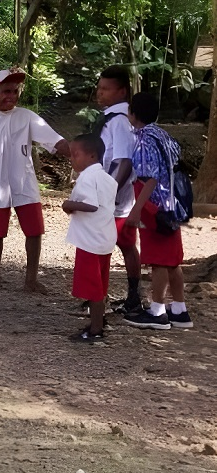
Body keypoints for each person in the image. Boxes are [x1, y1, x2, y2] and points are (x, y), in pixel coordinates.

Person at [0, 69, 70, 292]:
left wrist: (82, 154)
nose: (12, 95)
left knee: (34, 230)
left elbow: (54, 141)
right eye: (6, 90)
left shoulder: (27, 117)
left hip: (24, 182)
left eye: (15, 91)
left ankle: (31, 279)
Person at [123, 93, 191, 332]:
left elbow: (149, 178)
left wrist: (137, 209)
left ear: (133, 113)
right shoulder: (164, 135)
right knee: (172, 260)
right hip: (174, 204)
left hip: (155, 207)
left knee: (158, 261)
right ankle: (180, 310)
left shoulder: (143, 141)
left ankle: (157, 311)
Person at [62, 134, 118, 343]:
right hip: (104, 238)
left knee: (94, 288)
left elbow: (91, 205)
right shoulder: (107, 178)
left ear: (92, 155)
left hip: (89, 241)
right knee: (101, 286)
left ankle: (95, 330)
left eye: (76, 155)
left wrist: (68, 205)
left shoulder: (87, 177)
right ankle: (98, 322)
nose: (72, 159)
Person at [95, 65, 141, 313]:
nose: (99, 93)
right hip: (113, 196)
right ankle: (100, 297)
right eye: (99, 88)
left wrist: (108, 192)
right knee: (121, 245)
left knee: (109, 246)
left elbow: (124, 161)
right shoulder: (112, 118)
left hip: (115, 200)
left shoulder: (120, 121)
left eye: (105, 89)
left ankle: (105, 299)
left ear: (122, 91)